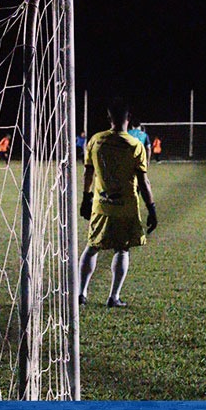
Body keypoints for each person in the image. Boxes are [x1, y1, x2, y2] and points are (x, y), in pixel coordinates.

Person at [78, 102, 158, 308]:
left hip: (101, 204)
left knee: (92, 246)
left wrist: (86, 198)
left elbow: (88, 172)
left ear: (109, 117)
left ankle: (81, 293)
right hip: (126, 207)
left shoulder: (96, 140)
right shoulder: (134, 145)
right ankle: (113, 297)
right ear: (128, 117)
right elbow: (143, 182)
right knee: (122, 250)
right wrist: (152, 209)